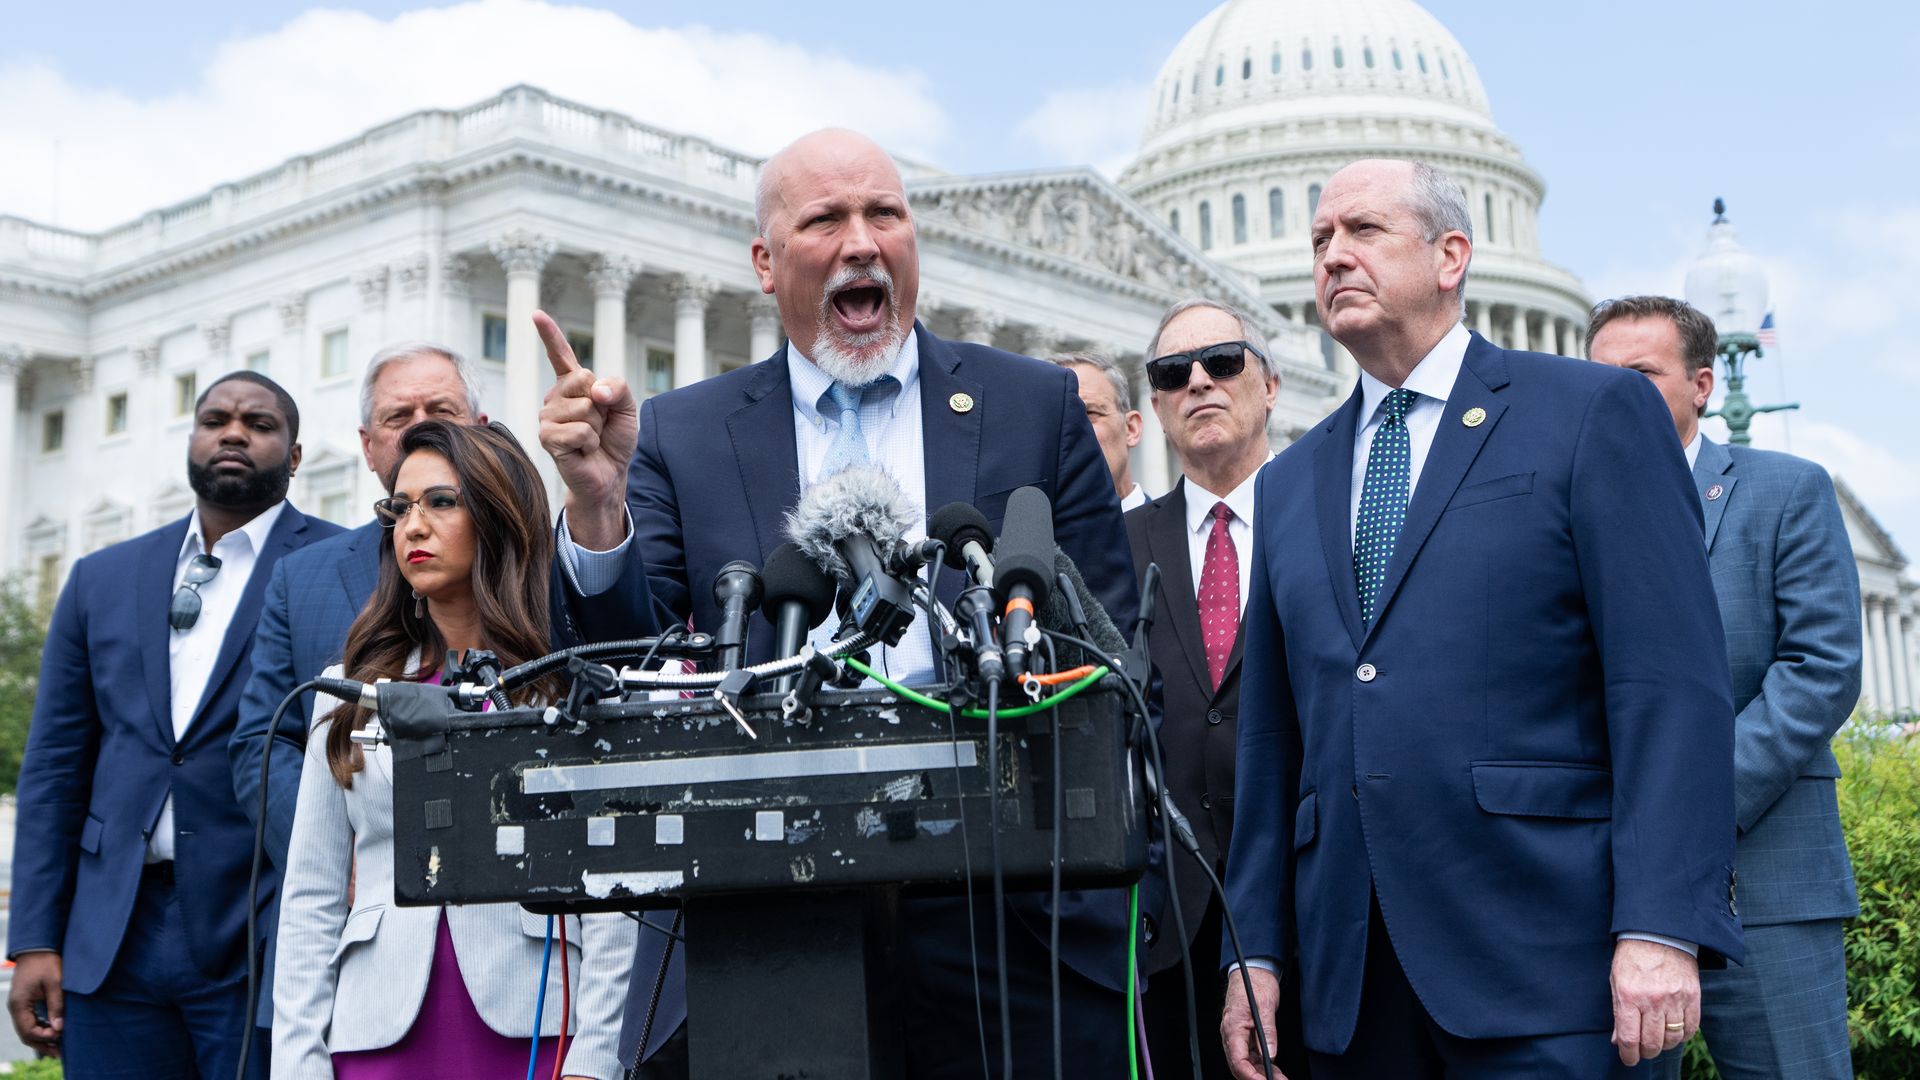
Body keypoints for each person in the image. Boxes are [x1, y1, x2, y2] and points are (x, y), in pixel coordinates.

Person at [547, 127, 1146, 1077]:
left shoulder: (1032, 405)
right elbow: (630, 670)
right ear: (765, 261)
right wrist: (595, 503)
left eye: (886, 214)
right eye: (825, 219)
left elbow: (1112, 656)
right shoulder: (680, 433)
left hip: (1009, 919)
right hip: (768, 917)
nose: (863, 241)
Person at [1218, 159, 1742, 1080]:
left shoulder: (1590, 414)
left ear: (1451, 254)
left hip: (1548, 969)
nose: (1333, 256)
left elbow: (1668, 686)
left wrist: (1662, 923)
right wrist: (1253, 952)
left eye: (1363, 232)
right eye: (1318, 241)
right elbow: (1272, 747)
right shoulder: (1291, 484)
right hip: (1349, 987)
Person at [229, 342, 661, 1057]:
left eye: (440, 503)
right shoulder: (351, 692)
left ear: (494, 515)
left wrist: (595, 1061)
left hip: (533, 1027)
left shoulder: (569, 687)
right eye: (400, 508)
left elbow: (615, 895)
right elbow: (308, 901)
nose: (413, 526)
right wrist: (298, 1065)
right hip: (374, 1034)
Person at [8, 372, 342, 1078]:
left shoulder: (340, 567)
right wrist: (34, 938)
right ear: (190, 439)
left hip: (257, 928)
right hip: (111, 936)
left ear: (296, 454)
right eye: (215, 418)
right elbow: (55, 767)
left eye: (259, 423)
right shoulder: (102, 577)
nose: (233, 432)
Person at [1589, 296, 1862, 1080]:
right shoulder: (1564, 512)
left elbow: (1820, 670)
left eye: (1640, 373)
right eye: (1599, 378)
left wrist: (1683, 801)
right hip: (1613, 898)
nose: (1616, 395)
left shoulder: (1788, 490)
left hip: (1771, 884)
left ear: (1705, 384)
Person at [1123, 299, 1309, 1080]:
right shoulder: (1114, 549)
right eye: (1173, 374)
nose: (1198, 381)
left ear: (1269, 384)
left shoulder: (1335, 525)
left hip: (1313, 913)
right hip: (1168, 930)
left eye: (1222, 362)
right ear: (1158, 407)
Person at [1050, 350, 1149, 509]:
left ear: (1131, 429)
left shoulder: (1183, 530)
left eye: (1089, 413)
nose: (1069, 432)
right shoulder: (1025, 531)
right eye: (1054, 420)